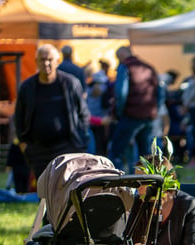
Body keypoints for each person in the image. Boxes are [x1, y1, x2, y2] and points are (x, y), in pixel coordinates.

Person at [14, 44, 90, 179]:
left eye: (49, 59)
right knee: (44, 192)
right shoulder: (27, 87)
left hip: (67, 147)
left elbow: (83, 114)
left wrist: (80, 141)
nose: (46, 63)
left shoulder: (70, 84)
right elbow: (19, 117)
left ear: (57, 61)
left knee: (67, 189)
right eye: (42, 60)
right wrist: (23, 144)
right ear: (36, 62)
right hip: (38, 149)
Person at [107, 46, 164, 173]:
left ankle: (117, 181)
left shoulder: (125, 67)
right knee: (146, 156)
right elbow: (160, 93)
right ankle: (147, 183)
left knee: (116, 152)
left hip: (130, 115)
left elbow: (121, 93)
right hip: (148, 116)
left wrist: (118, 112)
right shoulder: (149, 68)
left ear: (121, 56)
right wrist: (154, 110)